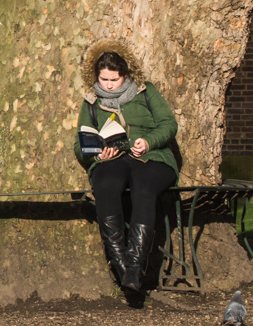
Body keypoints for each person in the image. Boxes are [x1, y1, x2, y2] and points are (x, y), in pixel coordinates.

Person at [73, 49, 178, 293]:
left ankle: (135, 264)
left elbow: (169, 124)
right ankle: (122, 267)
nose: (109, 85)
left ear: (126, 75)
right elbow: (80, 143)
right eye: (104, 80)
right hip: (113, 160)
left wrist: (148, 141)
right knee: (105, 184)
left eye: (114, 79)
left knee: (143, 186)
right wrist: (97, 154)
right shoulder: (91, 102)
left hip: (151, 158)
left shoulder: (145, 91)